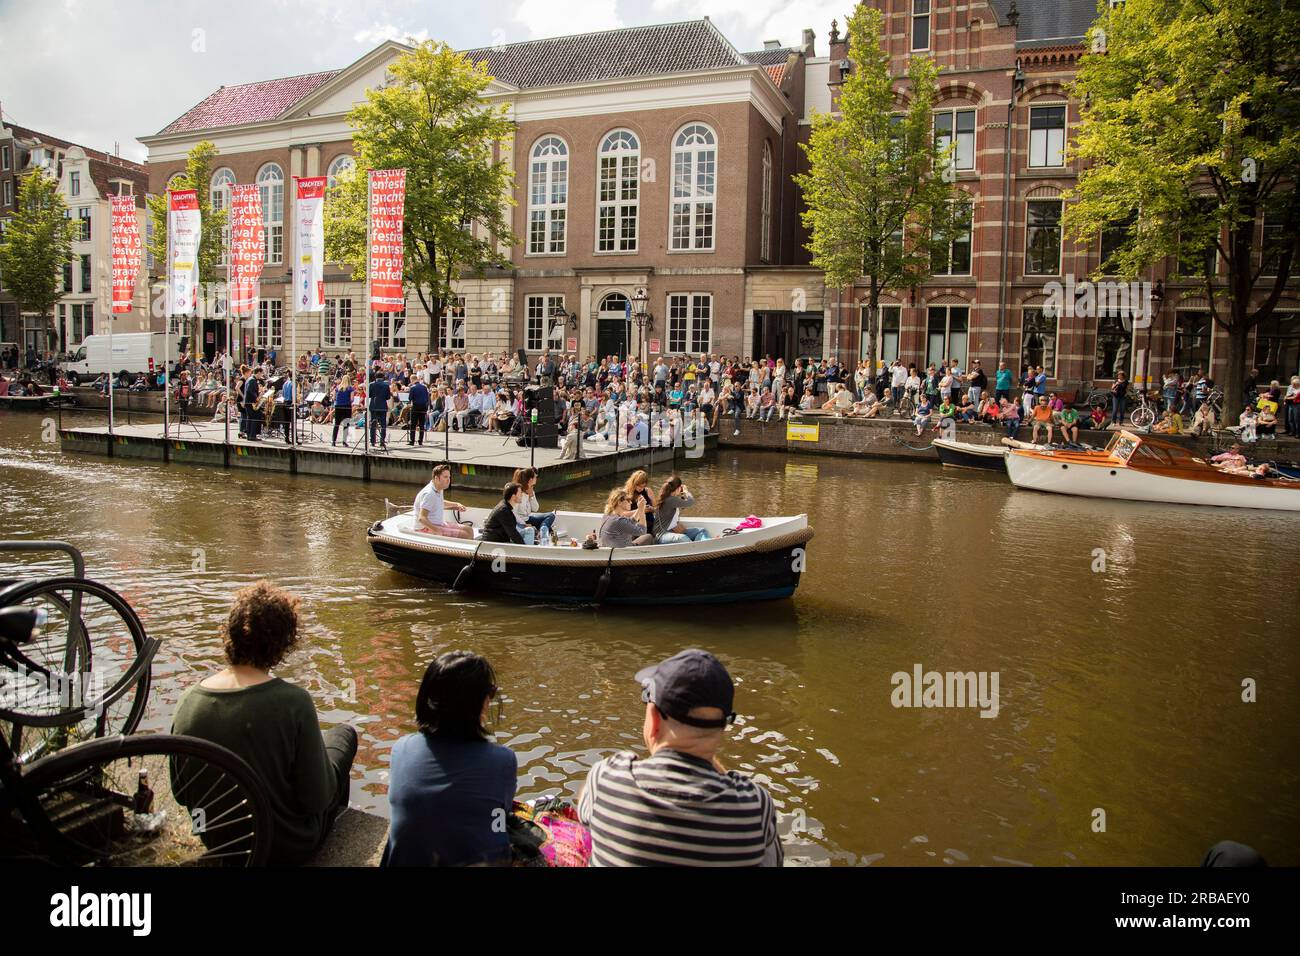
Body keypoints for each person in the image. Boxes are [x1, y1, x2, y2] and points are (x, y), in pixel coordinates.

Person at [170, 582, 358, 866]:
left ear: (229, 634)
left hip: (219, 841)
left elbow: (181, 793)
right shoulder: (294, 702)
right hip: (284, 847)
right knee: (344, 735)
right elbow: (316, 799)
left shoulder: (188, 699)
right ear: (284, 643)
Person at [577, 649, 782, 867]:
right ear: (723, 728)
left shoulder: (607, 777)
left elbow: (585, 816)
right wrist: (704, 750)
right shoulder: (754, 806)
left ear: (654, 719)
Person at [382, 651, 516, 867]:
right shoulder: (503, 760)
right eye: (489, 693)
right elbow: (499, 815)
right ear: (478, 703)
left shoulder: (401, 748)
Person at [415, 463, 473, 539]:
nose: (448, 480)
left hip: (439, 523)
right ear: (436, 478)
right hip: (425, 528)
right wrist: (436, 530)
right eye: (445, 477)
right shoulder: (429, 494)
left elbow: (439, 503)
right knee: (465, 535)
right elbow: (422, 518)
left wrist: (456, 505)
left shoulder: (438, 488)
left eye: (449, 477)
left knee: (469, 529)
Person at [654, 476, 709, 543]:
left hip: (673, 531)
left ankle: (703, 544)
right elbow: (690, 502)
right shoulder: (671, 500)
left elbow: (683, 506)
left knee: (702, 530)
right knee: (682, 538)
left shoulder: (671, 498)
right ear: (678, 488)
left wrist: (682, 494)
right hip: (662, 535)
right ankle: (699, 546)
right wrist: (686, 491)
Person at [511, 467, 556, 544]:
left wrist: (531, 496)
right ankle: (543, 533)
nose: (536, 478)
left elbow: (535, 509)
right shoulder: (518, 493)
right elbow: (513, 513)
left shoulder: (531, 490)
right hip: (519, 522)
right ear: (530, 480)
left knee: (551, 515)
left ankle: (542, 530)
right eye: (535, 476)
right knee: (547, 527)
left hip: (528, 518)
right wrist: (524, 524)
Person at [368, 366, 392, 448]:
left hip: (374, 405)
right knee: (383, 424)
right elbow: (388, 397)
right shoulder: (386, 385)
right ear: (383, 377)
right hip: (382, 406)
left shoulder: (371, 384)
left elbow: (369, 395)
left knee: (373, 423)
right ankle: (382, 441)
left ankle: (372, 441)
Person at [408, 377, 429, 446]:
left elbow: (410, 398)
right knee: (421, 425)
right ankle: (420, 441)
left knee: (413, 424)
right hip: (423, 407)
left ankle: (412, 441)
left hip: (416, 407)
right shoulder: (424, 387)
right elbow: (427, 397)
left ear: (412, 380)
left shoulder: (412, 387)